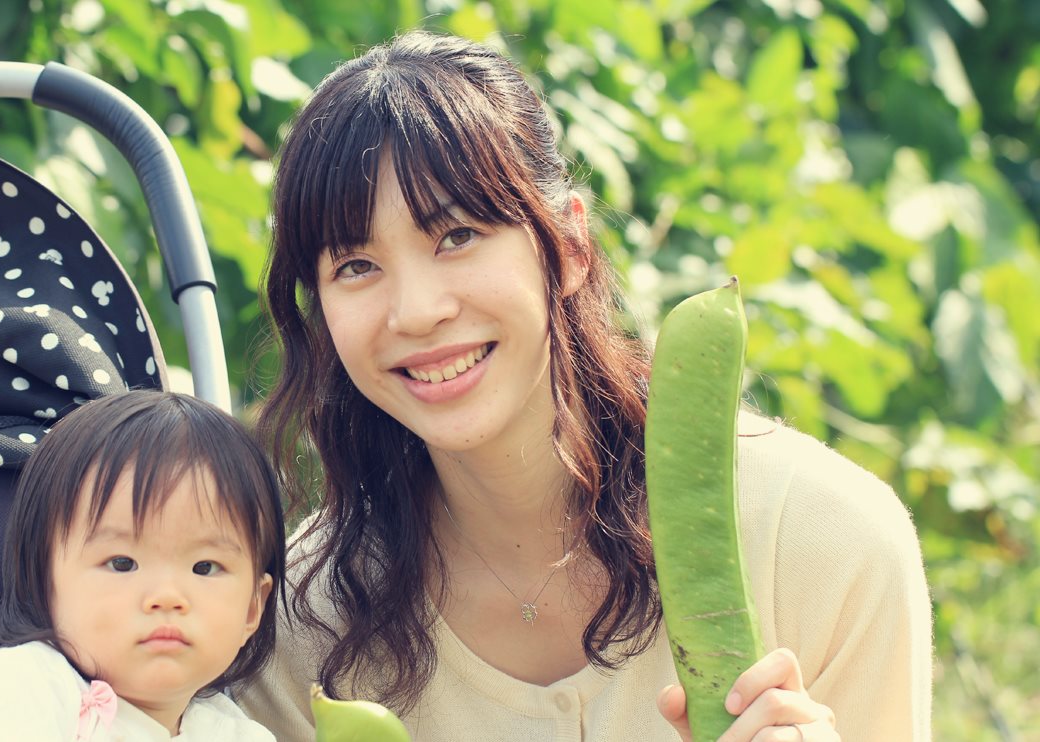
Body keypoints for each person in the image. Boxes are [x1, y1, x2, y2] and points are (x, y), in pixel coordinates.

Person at [238, 31, 933, 742]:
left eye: (457, 236)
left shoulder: (826, 543)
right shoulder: (295, 633)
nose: (416, 311)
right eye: (355, 265)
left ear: (570, 246)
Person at [0, 391, 284, 741]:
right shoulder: (23, 684)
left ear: (252, 608)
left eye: (205, 567)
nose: (166, 597)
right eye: (122, 563)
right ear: (45, 583)